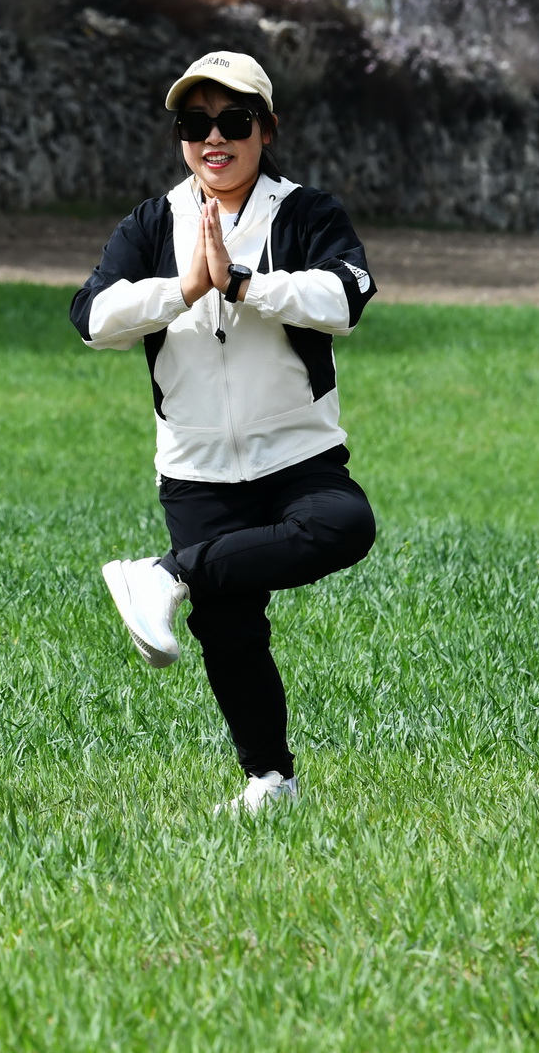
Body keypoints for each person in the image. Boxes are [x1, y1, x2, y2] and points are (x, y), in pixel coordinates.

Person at [70, 48, 377, 815]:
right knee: (229, 625)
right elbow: (92, 319)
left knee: (345, 525)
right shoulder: (152, 222)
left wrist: (243, 282)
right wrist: (184, 287)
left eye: (233, 120)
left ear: (266, 129)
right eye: (195, 122)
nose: (214, 137)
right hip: (195, 467)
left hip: (298, 454)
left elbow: (345, 296)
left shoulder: (307, 213)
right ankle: (270, 780)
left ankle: (167, 573)